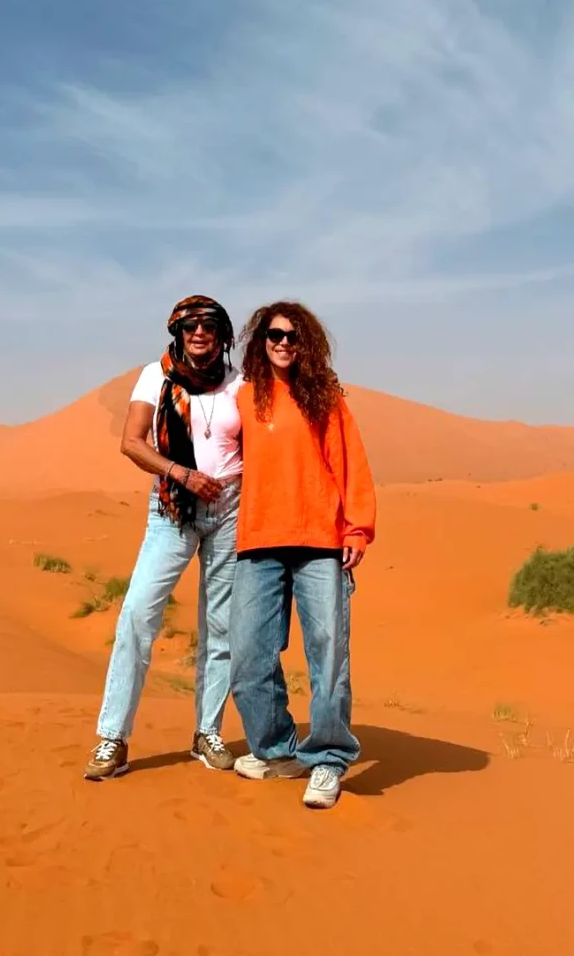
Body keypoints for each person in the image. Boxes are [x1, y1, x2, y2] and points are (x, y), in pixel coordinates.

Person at [84, 295, 243, 781]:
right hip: (173, 508)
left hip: (233, 510)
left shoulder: (241, 382)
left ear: (222, 334)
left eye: (209, 326)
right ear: (178, 331)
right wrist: (182, 474)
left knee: (221, 627)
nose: (200, 333)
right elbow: (131, 441)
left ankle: (207, 732)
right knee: (137, 614)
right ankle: (113, 737)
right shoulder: (157, 376)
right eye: (191, 325)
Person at [229, 301, 376, 809]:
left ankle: (329, 759)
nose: (283, 343)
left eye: (293, 336)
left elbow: (352, 463)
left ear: (305, 343)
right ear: (260, 341)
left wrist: (357, 530)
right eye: (274, 335)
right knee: (248, 657)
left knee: (329, 654)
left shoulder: (326, 400)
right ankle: (277, 750)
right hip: (258, 543)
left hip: (320, 542)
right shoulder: (244, 398)